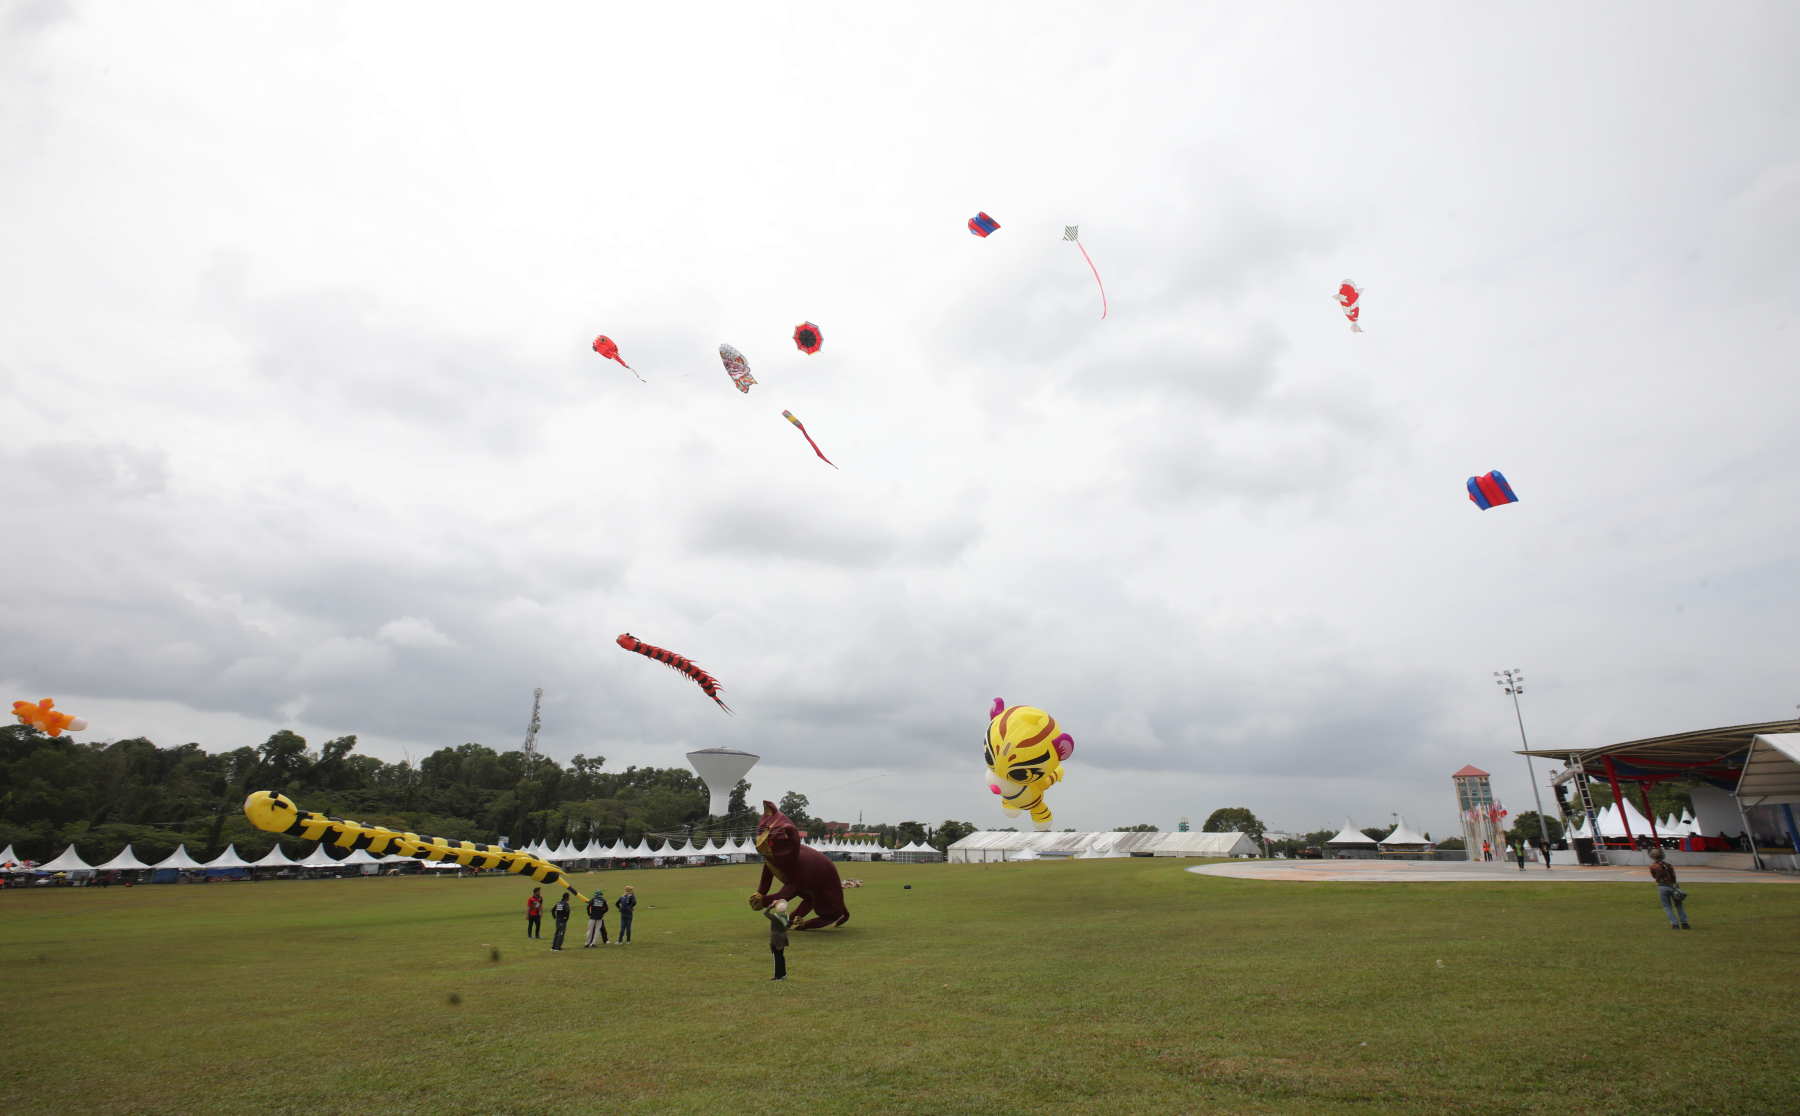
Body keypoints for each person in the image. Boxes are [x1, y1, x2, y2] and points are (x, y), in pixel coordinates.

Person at [1649, 849, 1689, 929]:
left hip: (1662, 886)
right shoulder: (1668, 865)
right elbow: (1673, 876)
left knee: (1667, 907)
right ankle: (1684, 922)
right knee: (1679, 905)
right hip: (1672, 885)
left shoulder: (1652, 866)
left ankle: (1674, 924)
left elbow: (1654, 876)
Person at [766, 898, 790, 980]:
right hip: (783, 937)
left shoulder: (774, 917)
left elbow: (766, 912)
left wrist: (771, 906)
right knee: (781, 956)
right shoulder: (786, 916)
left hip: (776, 938)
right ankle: (783, 973)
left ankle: (778, 976)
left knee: (776, 957)